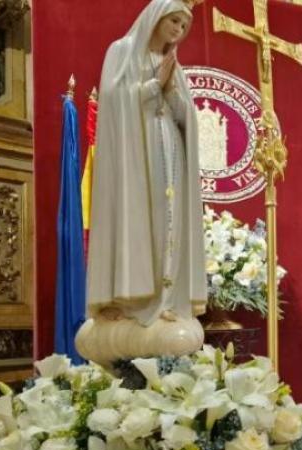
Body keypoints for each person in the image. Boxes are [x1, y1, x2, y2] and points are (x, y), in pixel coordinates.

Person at [87, 0, 206, 328]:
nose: (178, 30)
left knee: (170, 222)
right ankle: (131, 300)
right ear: (156, 16)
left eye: (184, 26)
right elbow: (114, 100)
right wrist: (156, 85)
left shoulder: (172, 64)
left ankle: (167, 300)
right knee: (143, 219)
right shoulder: (122, 51)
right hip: (135, 155)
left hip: (169, 147)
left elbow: (185, 115)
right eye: (174, 21)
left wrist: (172, 92)